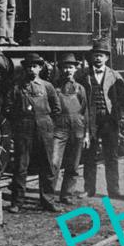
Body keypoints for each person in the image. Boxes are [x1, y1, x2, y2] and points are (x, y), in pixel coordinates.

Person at [4, 54, 62, 213]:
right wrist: (19, 124)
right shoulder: (16, 87)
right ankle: (17, 202)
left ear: (40, 68)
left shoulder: (47, 86)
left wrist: (47, 124)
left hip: (44, 128)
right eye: (29, 66)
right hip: (24, 128)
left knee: (47, 165)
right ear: (25, 68)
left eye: (35, 66)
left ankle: (48, 201)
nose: (32, 69)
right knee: (21, 166)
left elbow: (56, 109)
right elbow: (8, 108)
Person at [81, 42, 124, 199]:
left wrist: (120, 117)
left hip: (109, 121)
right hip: (92, 121)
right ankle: (89, 189)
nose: (98, 58)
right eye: (95, 55)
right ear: (91, 57)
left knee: (111, 156)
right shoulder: (83, 75)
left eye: (101, 55)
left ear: (107, 58)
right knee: (89, 155)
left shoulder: (115, 76)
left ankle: (114, 191)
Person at [52, 54, 89, 204]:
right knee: (53, 163)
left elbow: (85, 111)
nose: (68, 70)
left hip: (78, 128)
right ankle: (48, 197)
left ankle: (67, 195)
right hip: (59, 129)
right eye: (65, 67)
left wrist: (86, 133)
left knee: (73, 165)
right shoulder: (53, 88)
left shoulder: (80, 88)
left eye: (71, 67)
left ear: (75, 69)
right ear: (60, 69)